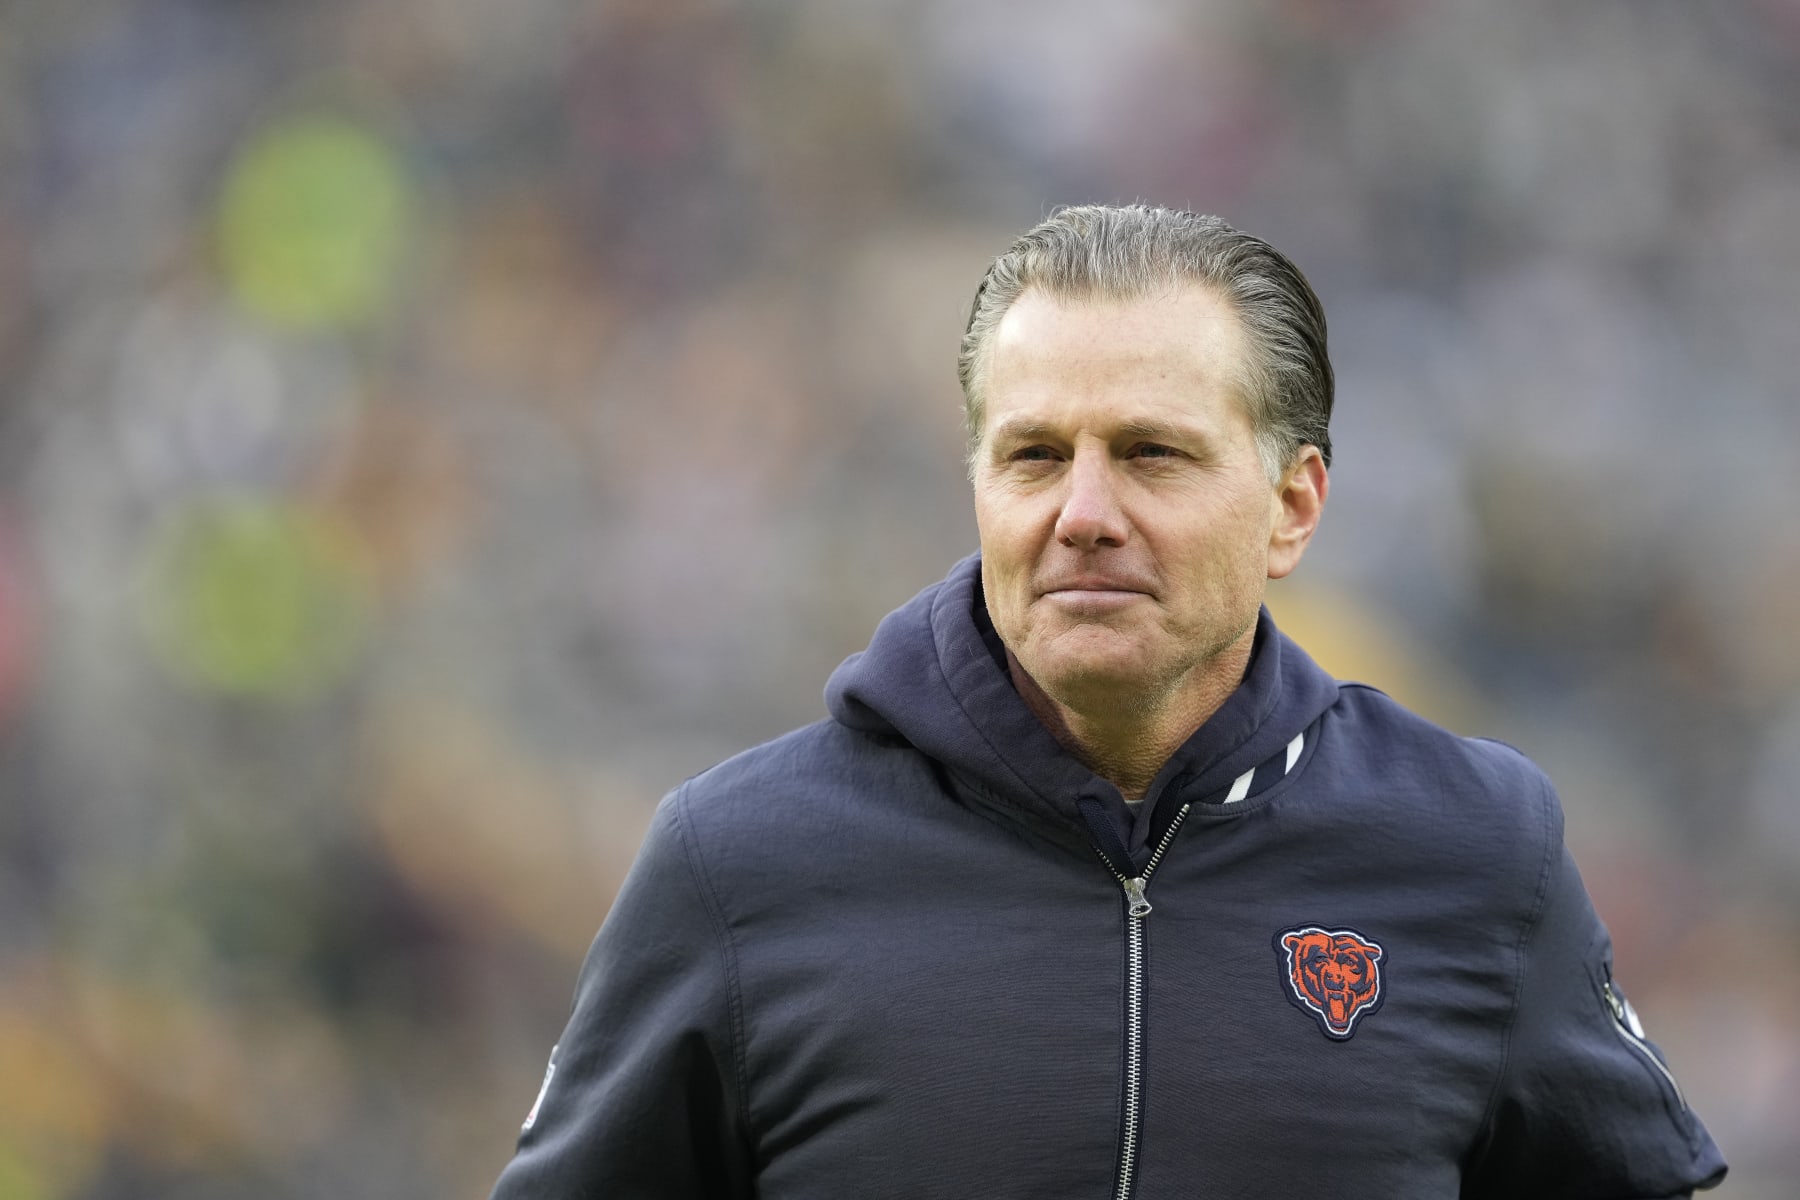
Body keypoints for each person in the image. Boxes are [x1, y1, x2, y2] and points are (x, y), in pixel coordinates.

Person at [488, 205, 1727, 1198]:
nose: (1083, 514)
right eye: (1034, 456)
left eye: (1151, 453)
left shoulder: (1478, 851)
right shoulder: (737, 862)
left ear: (1293, 506)